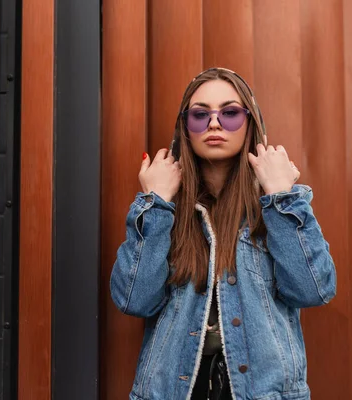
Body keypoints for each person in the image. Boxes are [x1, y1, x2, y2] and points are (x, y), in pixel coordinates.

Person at [110, 67, 337, 400]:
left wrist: (281, 197)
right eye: (200, 114)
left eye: (230, 113)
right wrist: (155, 204)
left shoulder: (275, 206)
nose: (214, 123)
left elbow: (313, 290)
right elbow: (133, 300)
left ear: (249, 122)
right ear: (185, 128)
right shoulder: (167, 211)